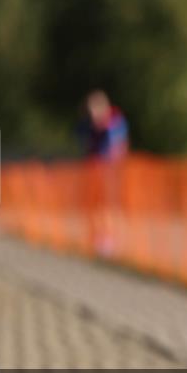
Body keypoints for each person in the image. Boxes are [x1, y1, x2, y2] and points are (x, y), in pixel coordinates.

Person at [79, 90, 129, 256]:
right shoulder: (91, 126)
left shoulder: (115, 123)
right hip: (95, 171)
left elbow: (116, 147)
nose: (92, 115)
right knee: (96, 205)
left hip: (111, 171)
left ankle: (111, 240)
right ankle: (98, 238)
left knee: (109, 205)